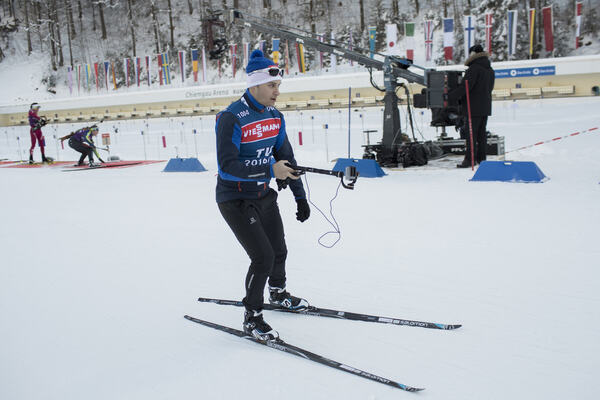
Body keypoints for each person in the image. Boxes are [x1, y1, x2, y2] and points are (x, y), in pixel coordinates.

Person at [215, 49, 311, 341]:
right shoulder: (231, 117)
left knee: (279, 250)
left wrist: (300, 197)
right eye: (272, 86)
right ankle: (252, 317)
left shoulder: (275, 117)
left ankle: (279, 293)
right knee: (262, 258)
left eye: (279, 86)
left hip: (263, 195)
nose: (277, 92)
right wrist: (271, 170)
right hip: (235, 198)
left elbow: (287, 160)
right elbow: (227, 167)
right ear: (254, 85)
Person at [448, 44, 495, 168]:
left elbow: (466, 87)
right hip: (485, 106)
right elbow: (490, 88)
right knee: (481, 134)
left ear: (473, 54)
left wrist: (450, 96)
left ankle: (469, 160)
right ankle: (481, 158)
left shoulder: (474, 69)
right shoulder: (489, 69)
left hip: (472, 107)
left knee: (471, 135)